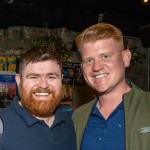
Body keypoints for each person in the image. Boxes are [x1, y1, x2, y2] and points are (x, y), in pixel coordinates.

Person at [72, 23, 150, 150]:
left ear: (125, 58)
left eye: (105, 56)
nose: (97, 67)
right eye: (89, 60)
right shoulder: (78, 118)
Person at [0, 47, 77, 150]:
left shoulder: (67, 121)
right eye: (34, 77)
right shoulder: (2, 124)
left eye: (51, 77)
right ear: (19, 81)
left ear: (61, 80)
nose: (43, 85)